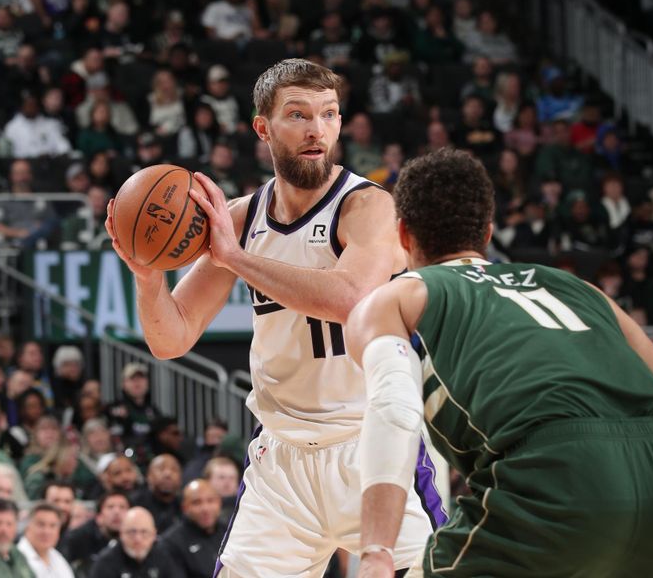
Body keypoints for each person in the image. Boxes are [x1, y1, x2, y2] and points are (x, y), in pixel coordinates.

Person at [105, 58, 442, 577]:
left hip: (370, 447)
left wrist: (234, 257)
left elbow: (349, 297)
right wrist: (147, 274)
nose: (316, 130)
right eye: (298, 114)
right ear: (263, 127)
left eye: (328, 114)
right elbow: (170, 340)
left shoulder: (369, 207)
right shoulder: (239, 218)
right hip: (281, 462)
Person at [344, 147, 653, 577]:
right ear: (487, 233)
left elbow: (393, 411)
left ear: (402, 235)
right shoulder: (582, 290)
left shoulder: (398, 296)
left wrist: (376, 551)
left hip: (554, 479)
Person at [89, 506, 184, 578]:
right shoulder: (105, 563)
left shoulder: (166, 558)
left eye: (144, 532)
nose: (138, 539)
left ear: (154, 535)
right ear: (121, 533)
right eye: (132, 532)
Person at [159, 479, 224, 578]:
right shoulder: (171, 543)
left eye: (210, 501)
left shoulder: (230, 532)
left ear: (219, 503)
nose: (205, 508)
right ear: (185, 508)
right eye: (197, 503)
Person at [59, 490, 130, 574]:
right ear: (98, 517)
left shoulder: (139, 541)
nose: (116, 512)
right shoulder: (79, 540)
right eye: (110, 507)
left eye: (122, 507)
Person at [18, 501, 74, 578]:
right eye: (41, 524)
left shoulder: (57, 558)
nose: (46, 531)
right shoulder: (16, 559)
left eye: (52, 526)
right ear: (28, 527)